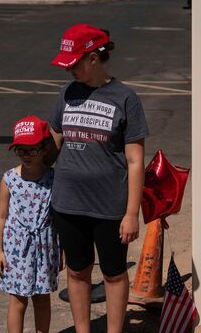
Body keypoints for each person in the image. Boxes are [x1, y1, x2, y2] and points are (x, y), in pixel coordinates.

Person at [46, 24, 149, 333]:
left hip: (109, 207)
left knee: (114, 273)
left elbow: (135, 160)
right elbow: (54, 141)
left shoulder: (125, 98)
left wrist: (132, 213)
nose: (69, 70)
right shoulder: (67, 92)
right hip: (68, 204)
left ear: (93, 58)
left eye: (73, 63)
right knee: (77, 271)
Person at [0, 115, 60, 333]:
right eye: (20, 150)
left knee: (42, 299)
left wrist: (64, 250)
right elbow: (1, 216)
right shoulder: (9, 179)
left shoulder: (54, 178)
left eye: (31, 149)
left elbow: (60, 217)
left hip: (45, 247)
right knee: (18, 300)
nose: (26, 155)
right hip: (16, 249)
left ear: (44, 148)